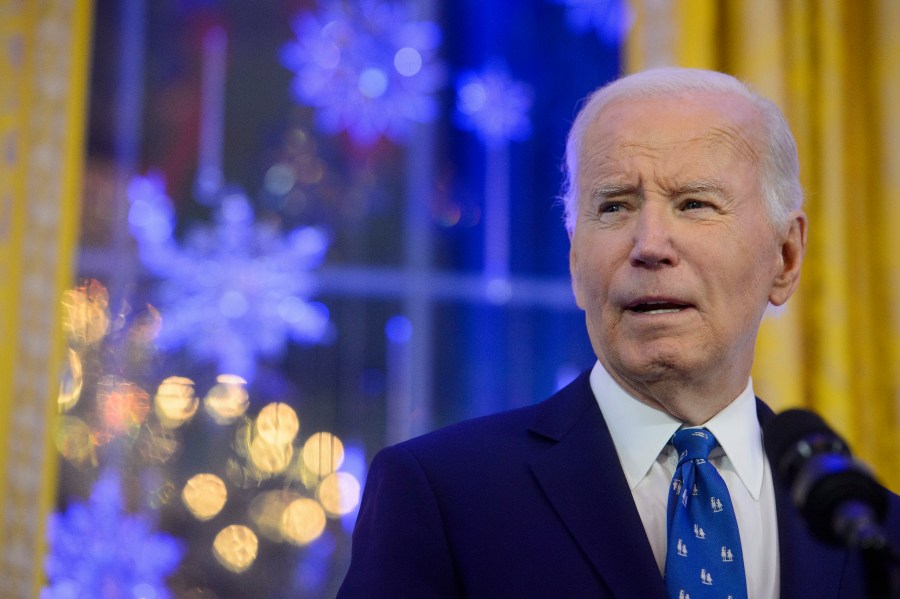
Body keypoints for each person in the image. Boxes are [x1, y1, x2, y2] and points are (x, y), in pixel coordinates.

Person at [337, 68, 900, 598]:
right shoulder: (442, 496)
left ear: (786, 256)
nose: (650, 245)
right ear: (576, 259)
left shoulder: (876, 532)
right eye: (614, 206)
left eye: (695, 203)